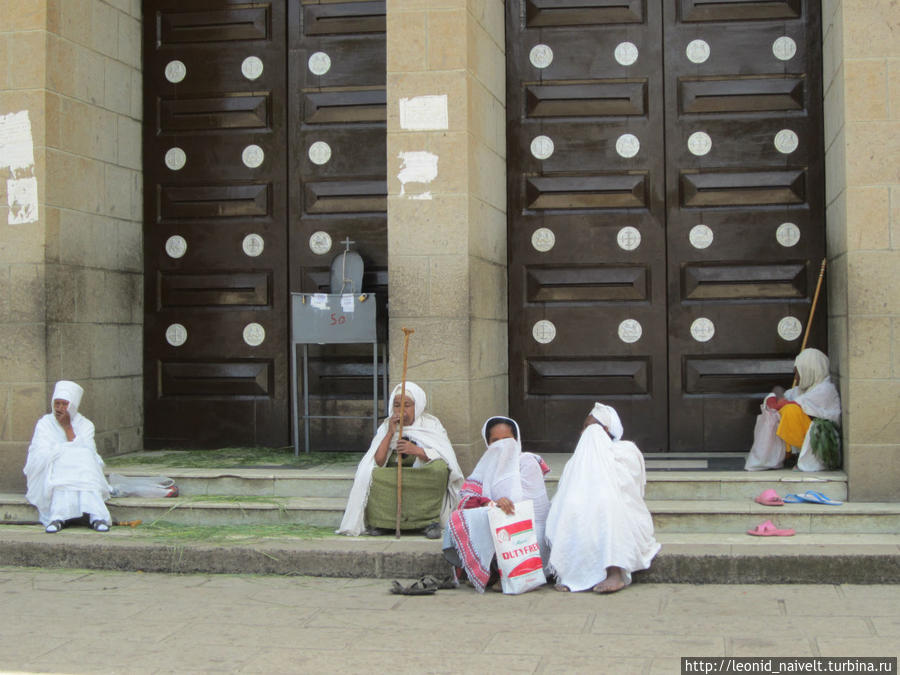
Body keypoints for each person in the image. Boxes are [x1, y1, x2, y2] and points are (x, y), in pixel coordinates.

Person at [545, 403, 660, 594]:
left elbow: (633, 491)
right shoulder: (576, 461)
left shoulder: (625, 450)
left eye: (594, 428)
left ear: (607, 430)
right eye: (585, 427)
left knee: (607, 506)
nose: (588, 432)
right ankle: (571, 574)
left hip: (621, 510)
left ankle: (615, 572)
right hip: (581, 508)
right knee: (571, 508)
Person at [337, 382, 463, 538]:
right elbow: (379, 460)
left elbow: (445, 456)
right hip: (394, 470)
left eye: (407, 405)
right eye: (397, 405)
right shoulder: (387, 425)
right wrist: (390, 433)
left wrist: (417, 451)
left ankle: (428, 522)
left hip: (421, 473)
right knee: (371, 475)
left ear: (417, 406)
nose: (401, 410)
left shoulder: (431, 424)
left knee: (439, 470)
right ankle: (383, 523)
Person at [442, 416, 551, 592]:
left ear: (516, 440)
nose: (502, 445)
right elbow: (466, 501)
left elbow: (528, 509)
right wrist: (491, 503)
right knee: (458, 517)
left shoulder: (527, 462)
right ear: (487, 443)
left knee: (503, 519)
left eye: (507, 440)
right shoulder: (485, 467)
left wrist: (504, 506)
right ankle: (491, 571)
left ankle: (510, 572)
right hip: (500, 527)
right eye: (495, 441)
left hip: (527, 534)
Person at [23, 381, 112, 533]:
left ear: (73, 405)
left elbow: (90, 453)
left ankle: (97, 516)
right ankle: (57, 517)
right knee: (65, 460)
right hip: (51, 469)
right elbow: (40, 453)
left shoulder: (86, 425)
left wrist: (68, 428)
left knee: (83, 457)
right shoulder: (45, 423)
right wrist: (65, 451)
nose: (60, 409)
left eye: (64, 404)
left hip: (81, 469)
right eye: (57, 404)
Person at [745, 348, 842, 472]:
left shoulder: (825, 389)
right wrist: (774, 396)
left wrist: (780, 402)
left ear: (810, 371)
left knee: (790, 410)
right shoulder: (802, 389)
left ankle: (794, 454)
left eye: (798, 372)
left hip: (821, 441)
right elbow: (779, 398)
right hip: (805, 434)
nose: (796, 377)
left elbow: (792, 404)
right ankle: (786, 454)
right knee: (775, 413)